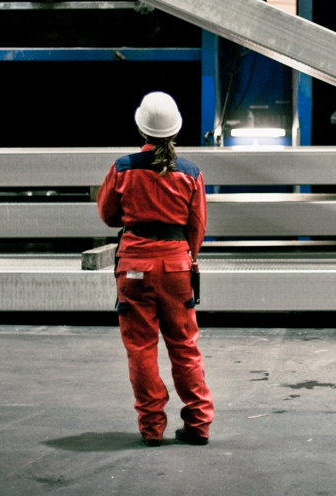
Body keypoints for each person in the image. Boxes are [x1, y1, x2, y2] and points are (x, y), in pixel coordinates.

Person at [97, 91, 214, 447]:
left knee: (141, 348)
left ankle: (151, 428)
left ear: (140, 127)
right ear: (175, 130)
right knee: (185, 347)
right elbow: (197, 226)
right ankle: (198, 425)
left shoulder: (122, 168)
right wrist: (185, 257)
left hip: (134, 268)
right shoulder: (190, 173)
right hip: (177, 267)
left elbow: (107, 215)